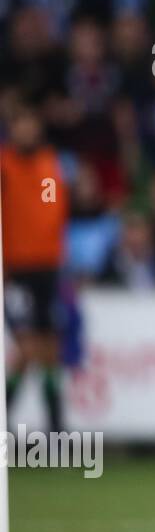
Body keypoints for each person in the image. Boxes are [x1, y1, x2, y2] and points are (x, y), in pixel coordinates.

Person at [1, 103, 70, 432]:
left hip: (48, 268)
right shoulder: (5, 165)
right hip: (18, 269)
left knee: (50, 350)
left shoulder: (48, 164)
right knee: (27, 348)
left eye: (30, 124)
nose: (25, 131)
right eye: (19, 125)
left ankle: (56, 428)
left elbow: (51, 210)